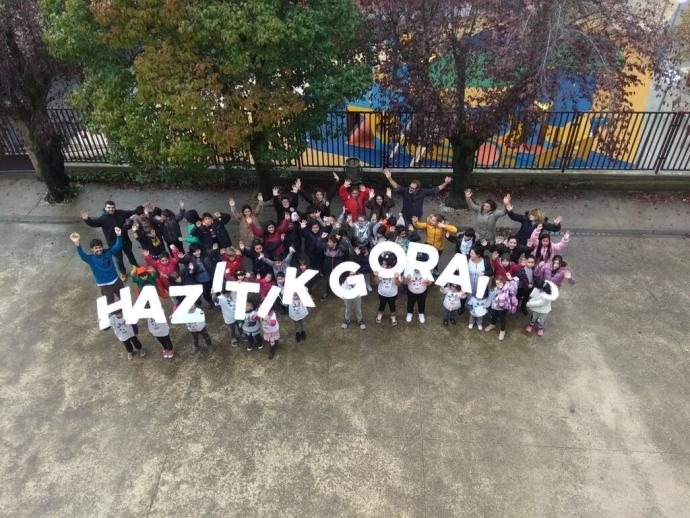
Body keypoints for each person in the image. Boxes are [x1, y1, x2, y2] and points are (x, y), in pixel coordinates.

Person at [81, 201, 139, 277]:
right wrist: (87, 219)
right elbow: (93, 223)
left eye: (112, 207)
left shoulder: (121, 213)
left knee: (130, 255)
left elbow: (131, 212)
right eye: (108, 207)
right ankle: (123, 273)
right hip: (113, 244)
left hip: (125, 240)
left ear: (115, 207)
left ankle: (136, 267)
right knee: (119, 259)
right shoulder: (103, 218)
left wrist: (140, 209)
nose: (111, 209)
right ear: (105, 208)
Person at [71, 227, 124, 304]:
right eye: (96, 248)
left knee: (123, 296)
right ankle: (112, 315)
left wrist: (119, 235)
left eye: (100, 247)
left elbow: (117, 246)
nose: (99, 249)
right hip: (104, 285)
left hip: (116, 280)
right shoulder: (90, 259)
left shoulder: (108, 253)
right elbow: (82, 255)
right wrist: (77, 243)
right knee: (110, 301)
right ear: (91, 249)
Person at [383, 169, 452, 223]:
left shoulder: (423, 192)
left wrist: (446, 183)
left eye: (412, 188)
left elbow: (436, 189)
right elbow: (396, 186)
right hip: (405, 215)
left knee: (415, 233)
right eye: (410, 187)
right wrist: (389, 178)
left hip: (417, 216)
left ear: (418, 189)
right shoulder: (406, 190)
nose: (410, 189)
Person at [485, 274, 519, 341]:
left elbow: (515, 289)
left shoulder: (508, 288)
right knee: (493, 316)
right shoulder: (494, 289)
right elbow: (490, 298)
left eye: (500, 282)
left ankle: (502, 331)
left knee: (502, 319)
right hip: (494, 307)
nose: (499, 284)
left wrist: (511, 279)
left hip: (503, 308)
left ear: (503, 281)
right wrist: (486, 306)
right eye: (497, 283)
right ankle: (492, 324)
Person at [373, 256, 401, 325]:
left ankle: (393, 316)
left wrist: (397, 278)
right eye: (382, 264)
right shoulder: (380, 271)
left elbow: (399, 284)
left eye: (385, 264)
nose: (383, 266)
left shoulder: (396, 272)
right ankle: (380, 314)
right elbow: (376, 282)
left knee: (392, 305)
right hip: (382, 293)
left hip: (392, 294)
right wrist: (376, 276)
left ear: (390, 265)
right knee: (382, 304)